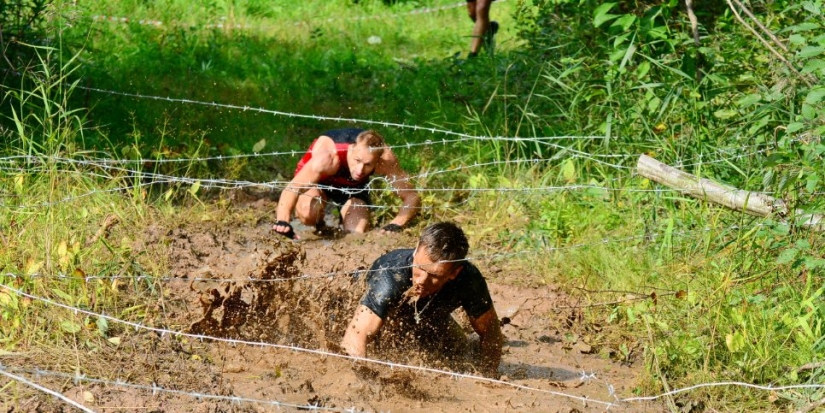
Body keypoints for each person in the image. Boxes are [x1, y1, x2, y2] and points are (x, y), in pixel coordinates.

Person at [340, 222, 503, 378]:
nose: (421, 281)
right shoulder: (390, 275)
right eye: (419, 268)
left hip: (432, 319)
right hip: (384, 321)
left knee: (461, 349)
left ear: (454, 273)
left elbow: (491, 332)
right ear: (417, 249)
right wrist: (363, 382)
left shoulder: (469, 279)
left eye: (434, 276)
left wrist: (488, 376)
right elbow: (356, 334)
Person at [272, 128, 420, 239]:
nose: (360, 170)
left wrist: (397, 224)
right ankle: (320, 225)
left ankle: (343, 222)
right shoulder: (327, 158)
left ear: (377, 161)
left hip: (353, 189)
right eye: (357, 161)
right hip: (319, 183)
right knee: (308, 213)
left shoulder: (385, 161)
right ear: (351, 150)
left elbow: (411, 196)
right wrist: (283, 222)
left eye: (368, 165)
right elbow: (292, 188)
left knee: (355, 234)